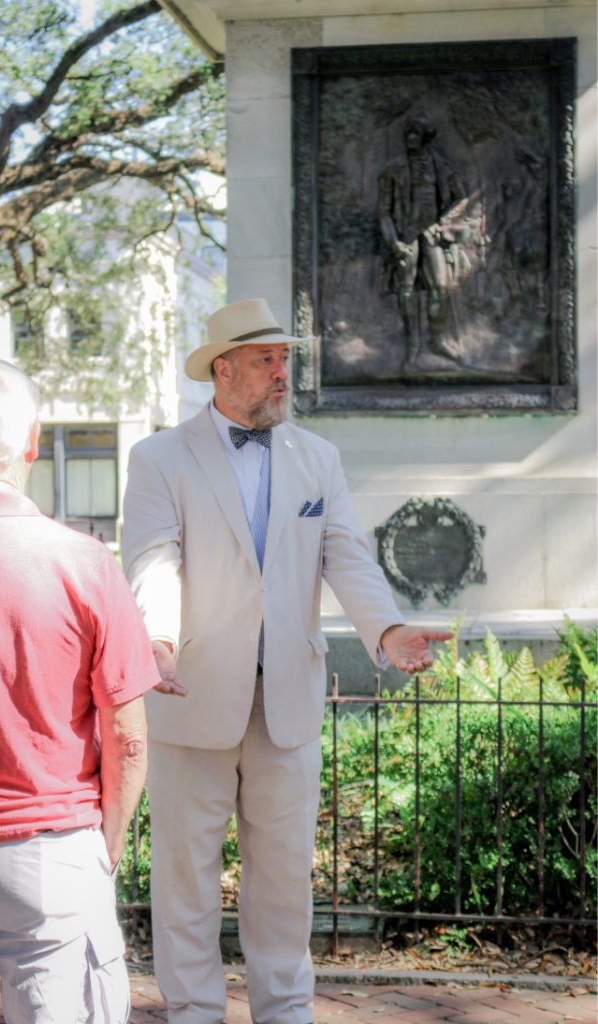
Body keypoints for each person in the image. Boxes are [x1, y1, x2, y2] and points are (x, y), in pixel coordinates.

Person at [121, 297, 452, 1024]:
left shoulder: (318, 456)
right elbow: (152, 561)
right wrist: (157, 643)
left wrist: (387, 630)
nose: (281, 373)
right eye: (267, 359)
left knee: (281, 884)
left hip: (289, 708)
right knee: (185, 883)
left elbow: (346, 556)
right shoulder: (158, 458)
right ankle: (194, 1014)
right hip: (188, 697)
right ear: (223, 368)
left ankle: (286, 1013)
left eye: (285, 358)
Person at [0, 356, 180, 1023]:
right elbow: (126, 739)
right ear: (31, 443)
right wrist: (105, 849)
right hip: (47, 847)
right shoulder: (82, 563)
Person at [378, 113, 467, 367]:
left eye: (415, 132)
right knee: (406, 290)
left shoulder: (442, 167)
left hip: (432, 234)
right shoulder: (392, 169)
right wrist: (393, 242)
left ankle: (437, 340)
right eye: (408, 132)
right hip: (406, 235)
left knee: (440, 285)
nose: (410, 137)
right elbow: (383, 211)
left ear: (427, 136)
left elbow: (461, 198)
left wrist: (442, 223)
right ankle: (413, 345)